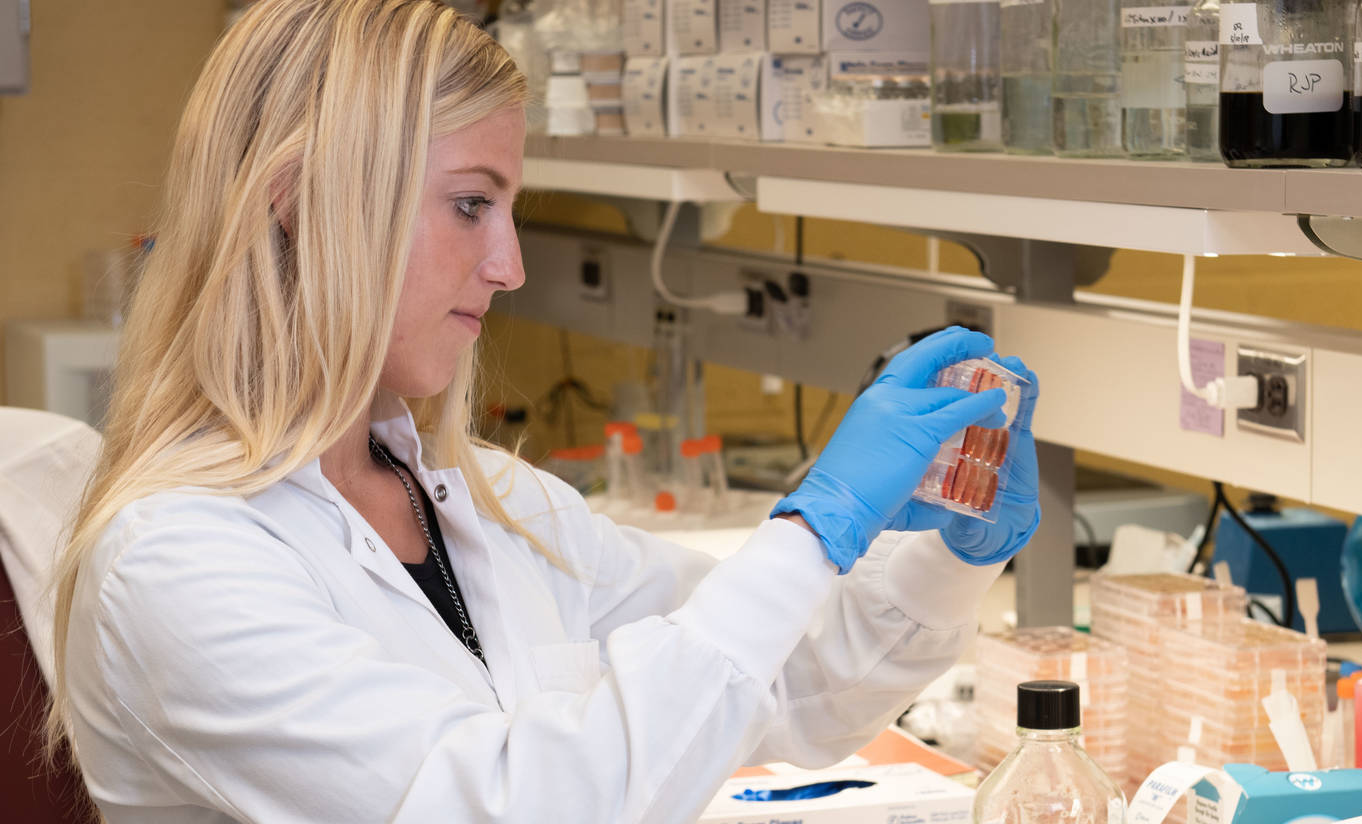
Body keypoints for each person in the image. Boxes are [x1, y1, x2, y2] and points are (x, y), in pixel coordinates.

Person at [48, 2, 1040, 822]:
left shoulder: (485, 499)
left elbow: (782, 689)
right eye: (472, 204)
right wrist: (812, 524)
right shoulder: (177, 560)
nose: (509, 265)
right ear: (299, 199)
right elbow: (517, 802)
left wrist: (950, 552)